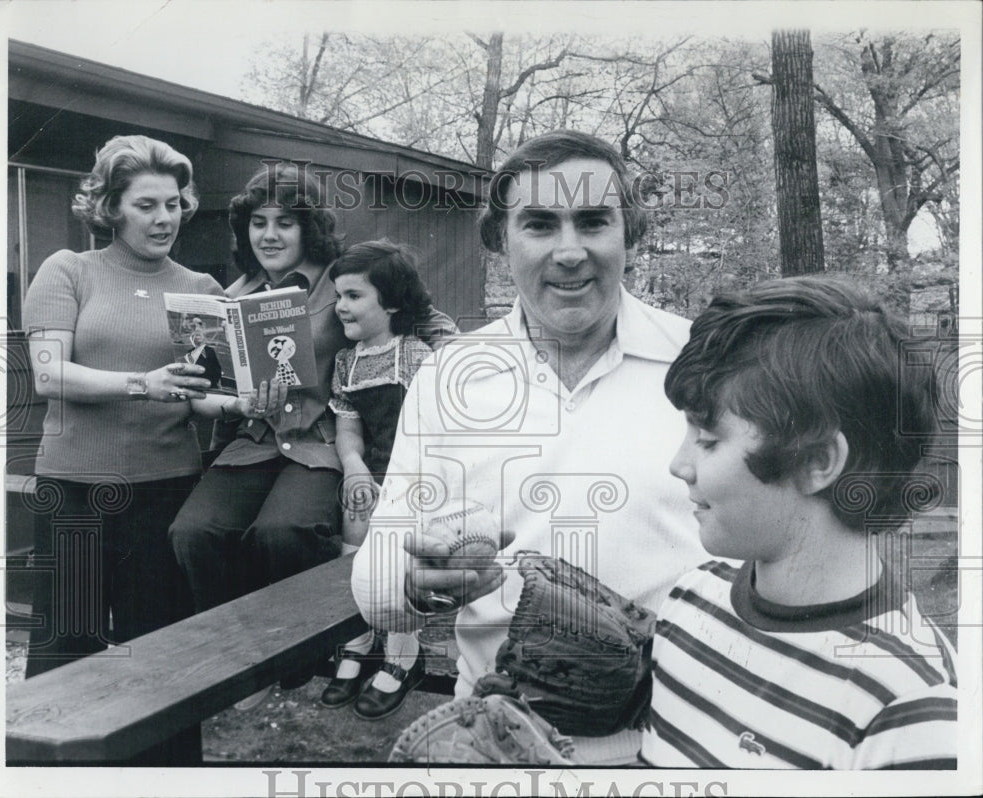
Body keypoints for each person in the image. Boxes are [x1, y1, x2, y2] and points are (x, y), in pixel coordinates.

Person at [350, 130, 706, 765]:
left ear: (631, 231)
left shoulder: (703, 364)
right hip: (498, 744)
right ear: (500, 240)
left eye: (594, 221)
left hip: (682, 741)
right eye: (540, 224)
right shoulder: (448, 376)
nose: (570, 252)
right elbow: (375, 573)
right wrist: (417, 583)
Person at [641, 275, 957, 769]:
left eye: (708, 440)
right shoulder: (689, 601)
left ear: (817, 461)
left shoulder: (913, 707)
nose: (678, 465)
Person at [168, 163, 457, 703]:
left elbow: (418, 313)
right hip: (253, 443)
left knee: (284, 532)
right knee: (193, 532)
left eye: (285, 222)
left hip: (320, 443)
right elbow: (202, 393)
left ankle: (303, 649)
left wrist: (451, 353)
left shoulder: (339, 279)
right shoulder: (231, 297)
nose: (270, 235)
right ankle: (241, 653)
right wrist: (235, 399)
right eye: (258, 223)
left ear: (308, 228)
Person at [20, 134, 252, 763]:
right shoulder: (67, 270)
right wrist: (142, 384)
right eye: (147, 205)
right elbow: (49, 375)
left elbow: (200, 394)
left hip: (167, 489)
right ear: (111, 207)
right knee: (67, 645)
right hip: (74, 490)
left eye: (174, 204)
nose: (165, 218)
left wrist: (237, 401)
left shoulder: (201, 286)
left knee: (163, 656)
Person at [318, 240, 438, 719]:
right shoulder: (347, 363)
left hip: (416, 471)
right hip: (371, 467)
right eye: (338, 296)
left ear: (389, 302)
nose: (340, 307)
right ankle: (359, 636)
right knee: (353, 530)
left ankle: (406, 652)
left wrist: (406, 482)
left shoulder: (413, 355)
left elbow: (435, 428)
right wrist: (354, 466)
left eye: (353, 296)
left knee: (395, 554)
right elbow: (348, 427)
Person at [184, 319, 222, 388]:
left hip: (212, 383)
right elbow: (190, 370)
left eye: (200, 335)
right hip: (198, 384)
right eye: (196, 336)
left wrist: (217, 381)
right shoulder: (190, 352)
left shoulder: (210, 350)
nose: (198, 337)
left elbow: (217, 368)